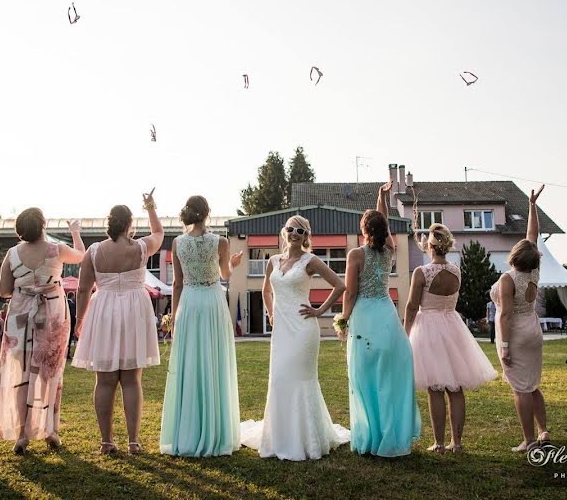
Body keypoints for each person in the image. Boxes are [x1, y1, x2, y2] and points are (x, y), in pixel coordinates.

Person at [239, 215, 350, 460]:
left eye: (300, 231)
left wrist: (320, 310)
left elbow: (340, 285)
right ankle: (280, 437)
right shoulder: (273, 261)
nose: (294, 233)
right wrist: (270, 312)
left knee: (301, 380)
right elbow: (266, 289)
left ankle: (306, 440)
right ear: (284, 231)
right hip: (281, 331)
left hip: (303, 329)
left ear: (306, 237)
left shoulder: (310, 261)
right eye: (291, 229)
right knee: (279, 379)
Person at [72, 194, 163, 455]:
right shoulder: (141, 247)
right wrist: (150, 207)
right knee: (132, 379)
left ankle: (106, 441)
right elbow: (158, 232)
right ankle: (133, 442)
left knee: (105, 380)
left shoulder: (94, 251)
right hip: (135, 309)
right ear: (128, 225)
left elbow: (82, 289)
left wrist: (80, 319)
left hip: (104, 311)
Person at [0, 209, 85, 454]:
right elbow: (82, 256)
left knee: (22, 375)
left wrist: (27, 288)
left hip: (20, 316)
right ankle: (50, 430)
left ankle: (22, 435)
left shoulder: (12, 254)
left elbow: (3, 290)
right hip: (52, 314)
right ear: (43, 225)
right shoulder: (56, 250)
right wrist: (75, 231)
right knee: (50, 374)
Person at [339, 183, 420, 457]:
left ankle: (369, 438)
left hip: (364, 316)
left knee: (364, 379)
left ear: (363, 231)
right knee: (385, 378)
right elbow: (381, 222)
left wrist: (342, 320)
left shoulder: (355, 255)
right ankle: (388, 435)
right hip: (386, 315)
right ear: (384, 230)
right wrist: (381, 198)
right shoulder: (390, 249)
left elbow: (350, 292)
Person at [160, 195, 243, 457]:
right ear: (207, 213)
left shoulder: (177, 243)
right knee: (214, 361)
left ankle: (188, 431)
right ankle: (215, 431)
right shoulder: (221, 242)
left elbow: (177, 283)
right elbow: (225, 275)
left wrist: (174, 316)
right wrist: (233, 264)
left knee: (190, 363)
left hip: (189, 303)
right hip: (212, 300)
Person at [405, 223, 496, 453]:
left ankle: (439, 442)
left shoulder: (422, 272)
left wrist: (405, 333)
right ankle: (457, 442)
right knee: (455, 388)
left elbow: (412, 306)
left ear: (430, 246)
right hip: (453, 326)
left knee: (435, 388)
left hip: (429, 328)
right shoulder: (457, 271)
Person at [489, 185, 550, 452]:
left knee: (520, 389)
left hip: (515, 333)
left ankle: (528, 440)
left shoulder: (508, 278)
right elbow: (532, 235)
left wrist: (503, 347)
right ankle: (543, 431)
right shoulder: (533, 273)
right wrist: (531, 206)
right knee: (532, 385)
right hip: (533, 330)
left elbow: (503, 315)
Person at [65, 292, 76, 360]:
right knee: (68, 339)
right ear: (73, 296)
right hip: (70, 323)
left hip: (65, 323)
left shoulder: (65, 302)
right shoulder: (71, 304)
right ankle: (67, 354)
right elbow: (72, 315)